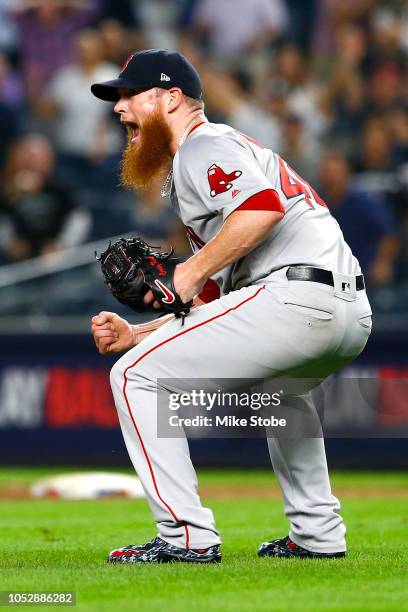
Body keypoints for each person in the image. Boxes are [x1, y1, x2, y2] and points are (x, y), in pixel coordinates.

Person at [90, 49, 372, 564]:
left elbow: (262, 207)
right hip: (342, 309)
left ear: (172, 98)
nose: (119, 108)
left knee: (133, 379)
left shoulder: (204, 143)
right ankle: (317, 536)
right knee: (282, 394)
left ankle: (186, 537)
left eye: (131, 94)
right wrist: (141, 333)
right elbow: (217, 301)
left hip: (295, 298)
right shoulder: (203, 161)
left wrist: (188, 272)